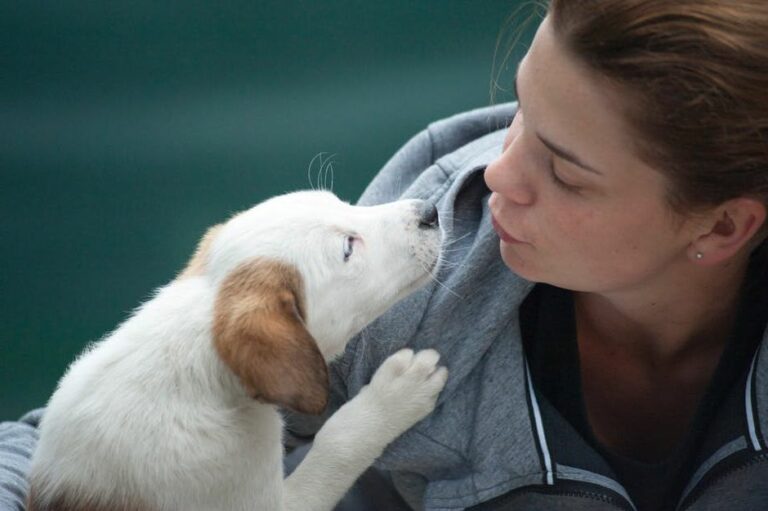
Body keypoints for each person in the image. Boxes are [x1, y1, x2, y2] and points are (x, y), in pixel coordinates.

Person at [3, 1, 768, 509]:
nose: (495, 172)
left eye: (563, 170)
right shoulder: (405, 298)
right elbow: (71, 450)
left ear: (724, 227)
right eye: (521, 110)